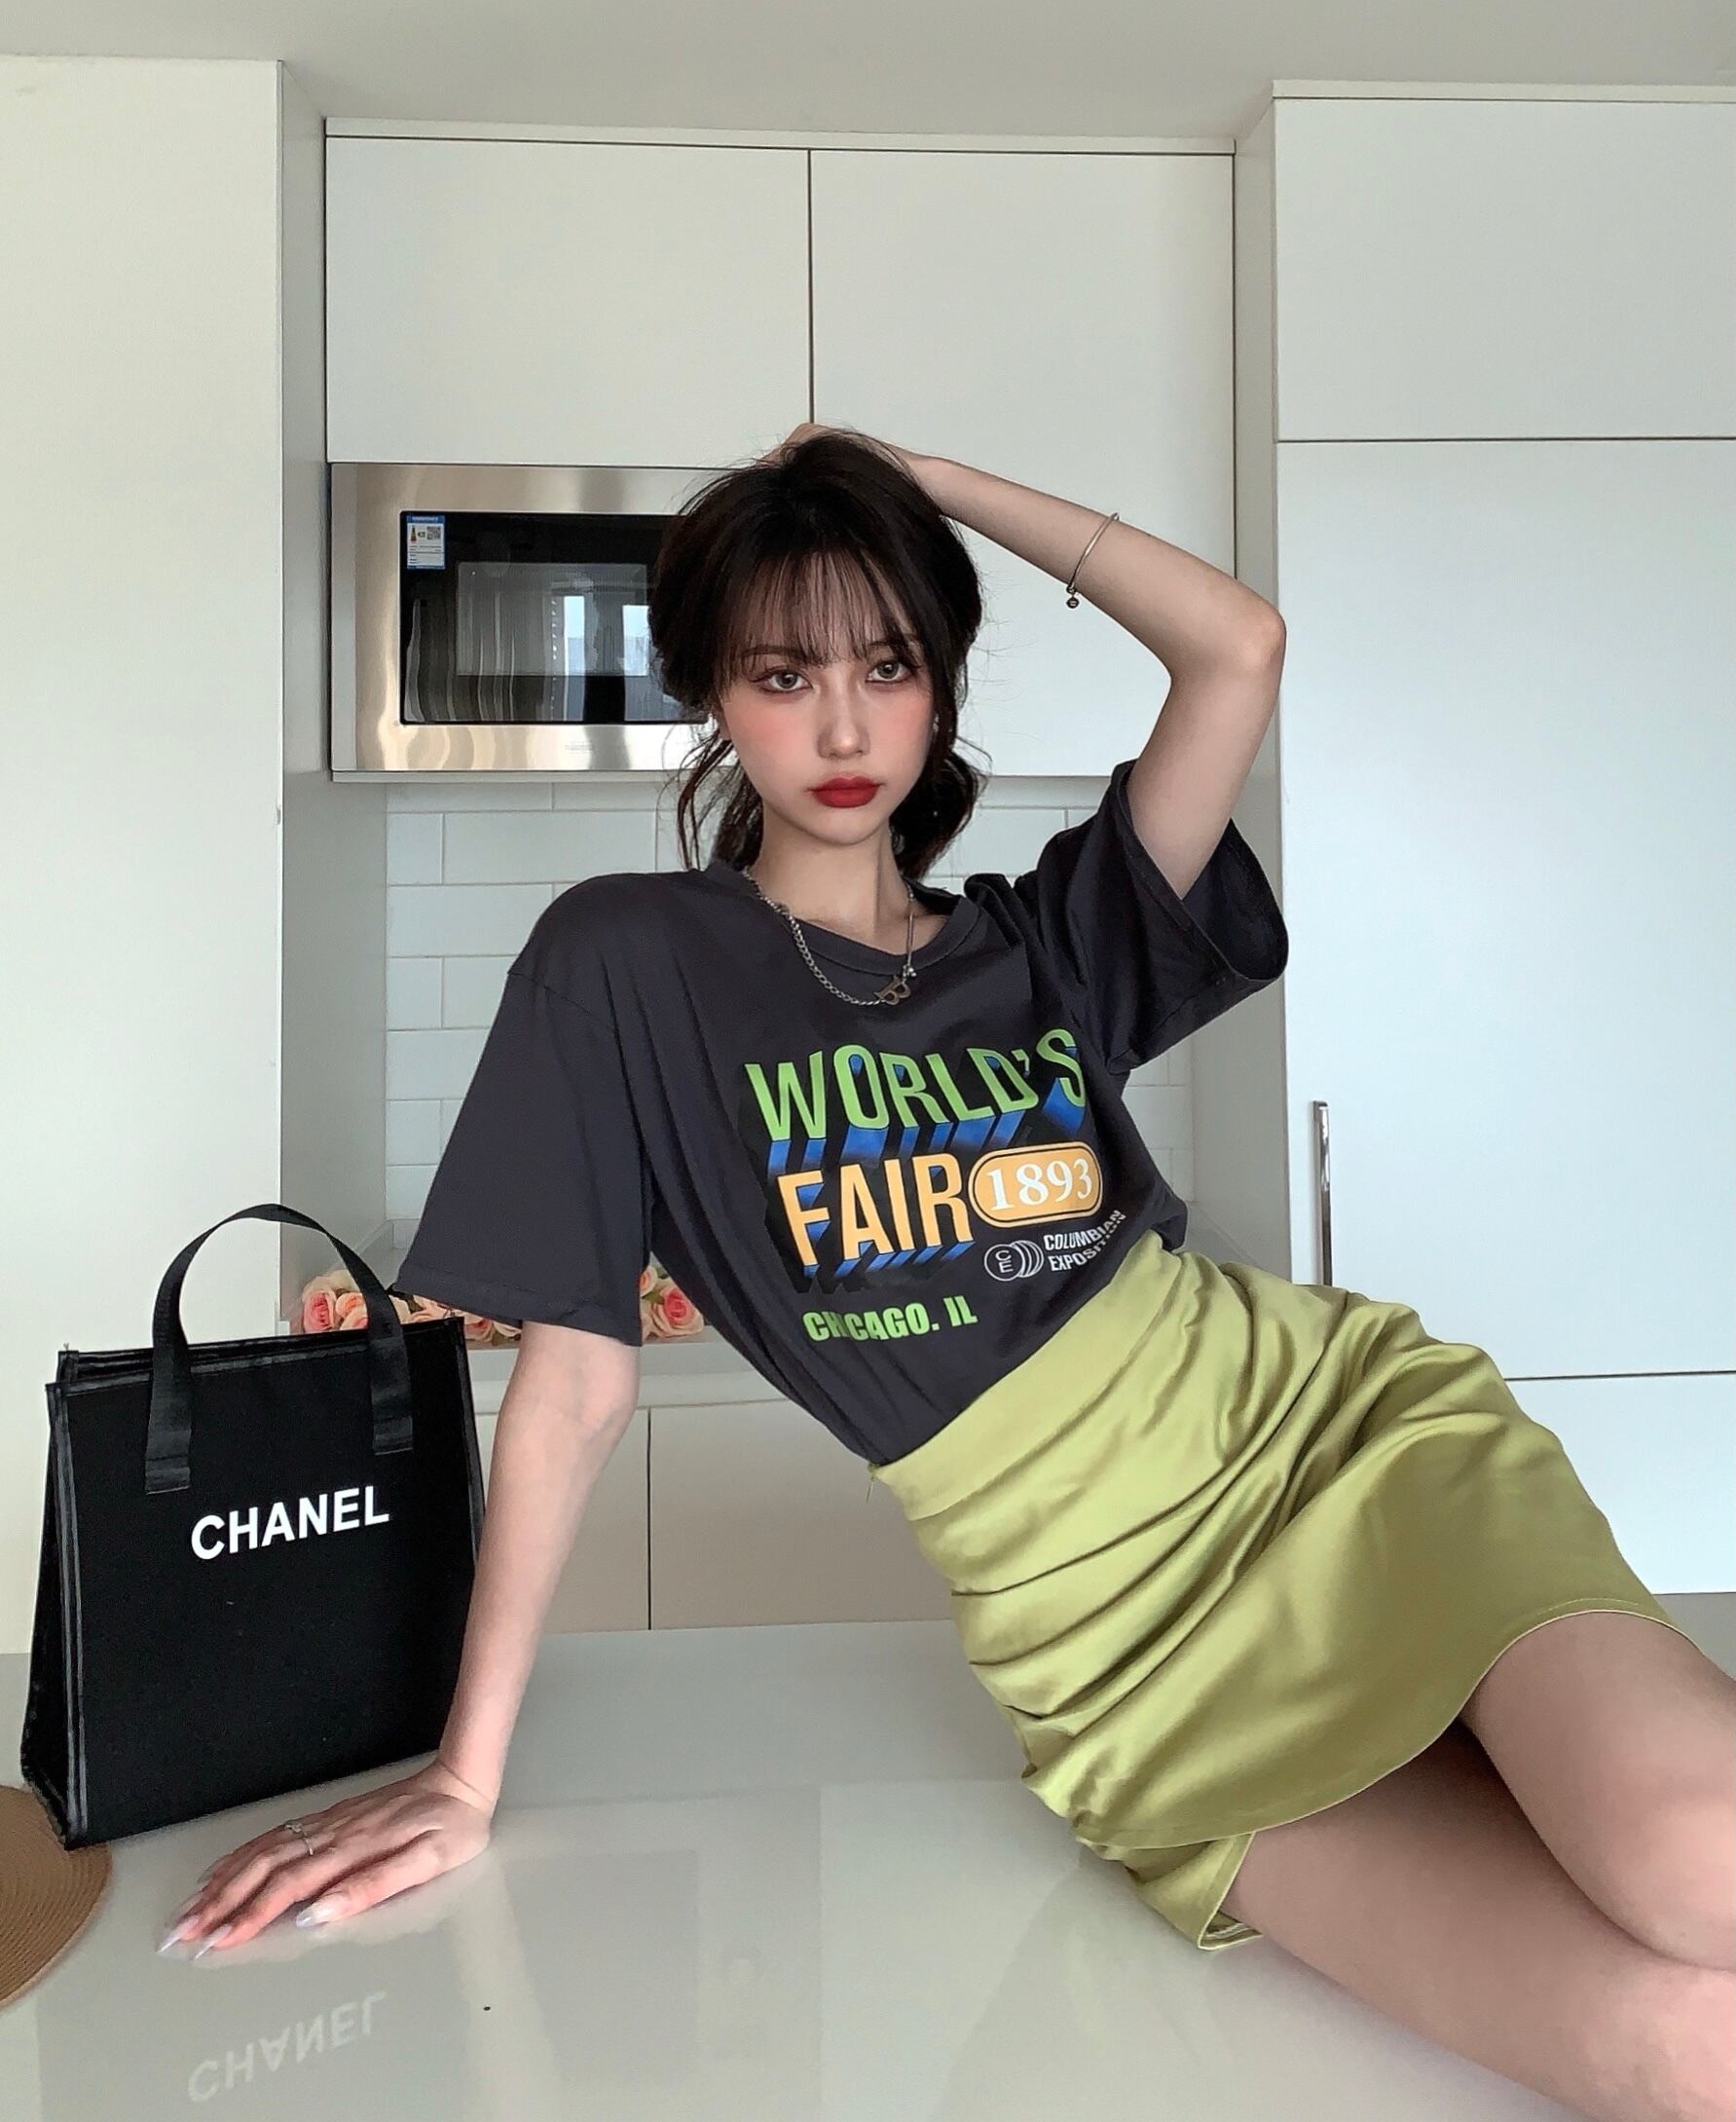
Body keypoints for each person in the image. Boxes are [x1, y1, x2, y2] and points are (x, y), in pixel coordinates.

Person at [161, 428, 1734, 2120]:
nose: (844, 729)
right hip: (1123, 1658)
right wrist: (465, 1777)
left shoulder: (1043, 941)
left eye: (890, 664)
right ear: (712, 693)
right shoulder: (624, 965)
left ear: (941, 684)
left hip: (1337, 1452)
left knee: (1699, 1861)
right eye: (784, 674)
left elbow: (1239, 647)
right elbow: (576, 1387)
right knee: (1686, 2052)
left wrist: (926, 481)